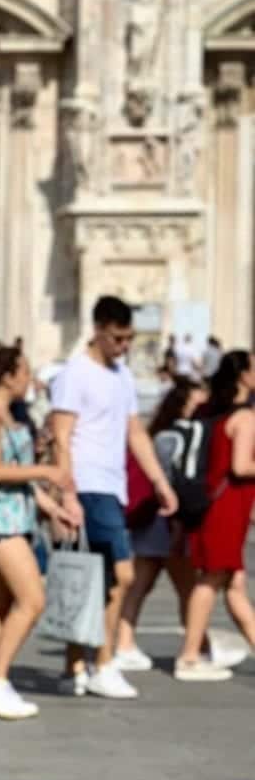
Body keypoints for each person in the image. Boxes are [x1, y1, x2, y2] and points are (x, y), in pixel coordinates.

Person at [48, 295, 178, 699]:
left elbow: (134, 432)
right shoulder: (75, 374)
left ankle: (74, 665)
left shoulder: (121, 375)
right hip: (87, 484)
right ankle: (103, 664)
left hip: (112, 483)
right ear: (100, 329)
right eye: (119, 338)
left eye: (130, 339)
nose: (125, 347)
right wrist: (66, 491)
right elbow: (61, 436)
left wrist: (159, 481)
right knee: (121, 575)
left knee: (91, 577)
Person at [0, 342, 76, 721]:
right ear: (10, 375)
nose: (30, 377)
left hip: (19, 517)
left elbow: (20, 476)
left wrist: (51, 507)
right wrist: (46, 472)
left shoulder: (12, 415)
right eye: (25, 370)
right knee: (33, 600)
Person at [113, 377, 207, 673]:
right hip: (166, 520)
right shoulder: (176, 438)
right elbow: (176, 481)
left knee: (142, 584)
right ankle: (196, 647)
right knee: (187, 588)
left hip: (151, 521)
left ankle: (123, 642)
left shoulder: (160, 435)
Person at [175, 350, 255, 683]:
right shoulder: (247, 418)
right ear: (243, 377)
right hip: (228, 507)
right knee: (211, 578)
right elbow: (240, 466)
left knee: (234, 583)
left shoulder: (217, 414)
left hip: (218, 505)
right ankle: (189, 657)